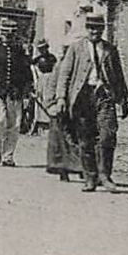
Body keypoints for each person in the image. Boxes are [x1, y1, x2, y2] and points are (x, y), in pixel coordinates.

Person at [52, 13, 128, 192]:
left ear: (103, 29)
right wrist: (61, 98)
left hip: (104, 96)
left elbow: (119, 77)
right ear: (86, 29)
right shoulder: (75, 49)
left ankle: (105, 175)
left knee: (107, 135)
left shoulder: (110, 50)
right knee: (85, 140)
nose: (94, 31)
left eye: (97, 28)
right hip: (82, 98)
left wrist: (124, 100)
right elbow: (65, 74)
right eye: (91, 28)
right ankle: (91, 178)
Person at [0, 30, 33, 166]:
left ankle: (8, 156)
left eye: (11, 34)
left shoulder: (19, 51)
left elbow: (27, 72)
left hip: (14, 93)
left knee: (14, 125)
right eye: (6, 34)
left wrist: (26, 90)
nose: (8, 37)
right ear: (1, 34)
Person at [32, 38, 80, 181]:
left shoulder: (81, 65)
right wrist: (51, 105)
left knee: (80, 138)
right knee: (60, 139)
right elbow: (52, 86)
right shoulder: (59, 67)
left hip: (78, 107)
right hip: (61, 107)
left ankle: (83, 167)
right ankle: (62, 169)